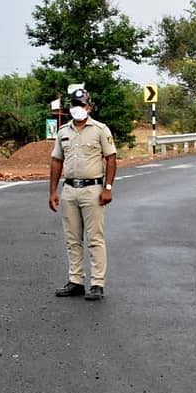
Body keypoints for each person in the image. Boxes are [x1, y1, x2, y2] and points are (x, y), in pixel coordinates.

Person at [49, 88, 117, 301]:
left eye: (82, 105)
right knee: (72, 239)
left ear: (89, 107)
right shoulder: (63, 132)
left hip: (93, 190)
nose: (78, 109)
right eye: (75, 105)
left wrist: (107, 188)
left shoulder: (100, 129)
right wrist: (53, 191)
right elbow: (56, 161)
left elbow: (111, 159)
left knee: (95, 239)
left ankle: (97, 283)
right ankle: (76, 281)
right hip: (69, 189)